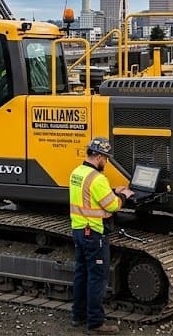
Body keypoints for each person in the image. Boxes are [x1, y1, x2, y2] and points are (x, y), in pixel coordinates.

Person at [69, 137, 133, 334]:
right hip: (94, 233)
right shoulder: (97, 179)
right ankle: (95, 323)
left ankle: (78, 317)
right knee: (97, 278)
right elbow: (112, 206)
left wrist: (113, 191)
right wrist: (124, 195)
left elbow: (89, 196)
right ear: (97, 156)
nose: (106, 161)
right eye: (105, 158)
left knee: (81, 274)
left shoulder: (77, 173)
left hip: (79, 230)